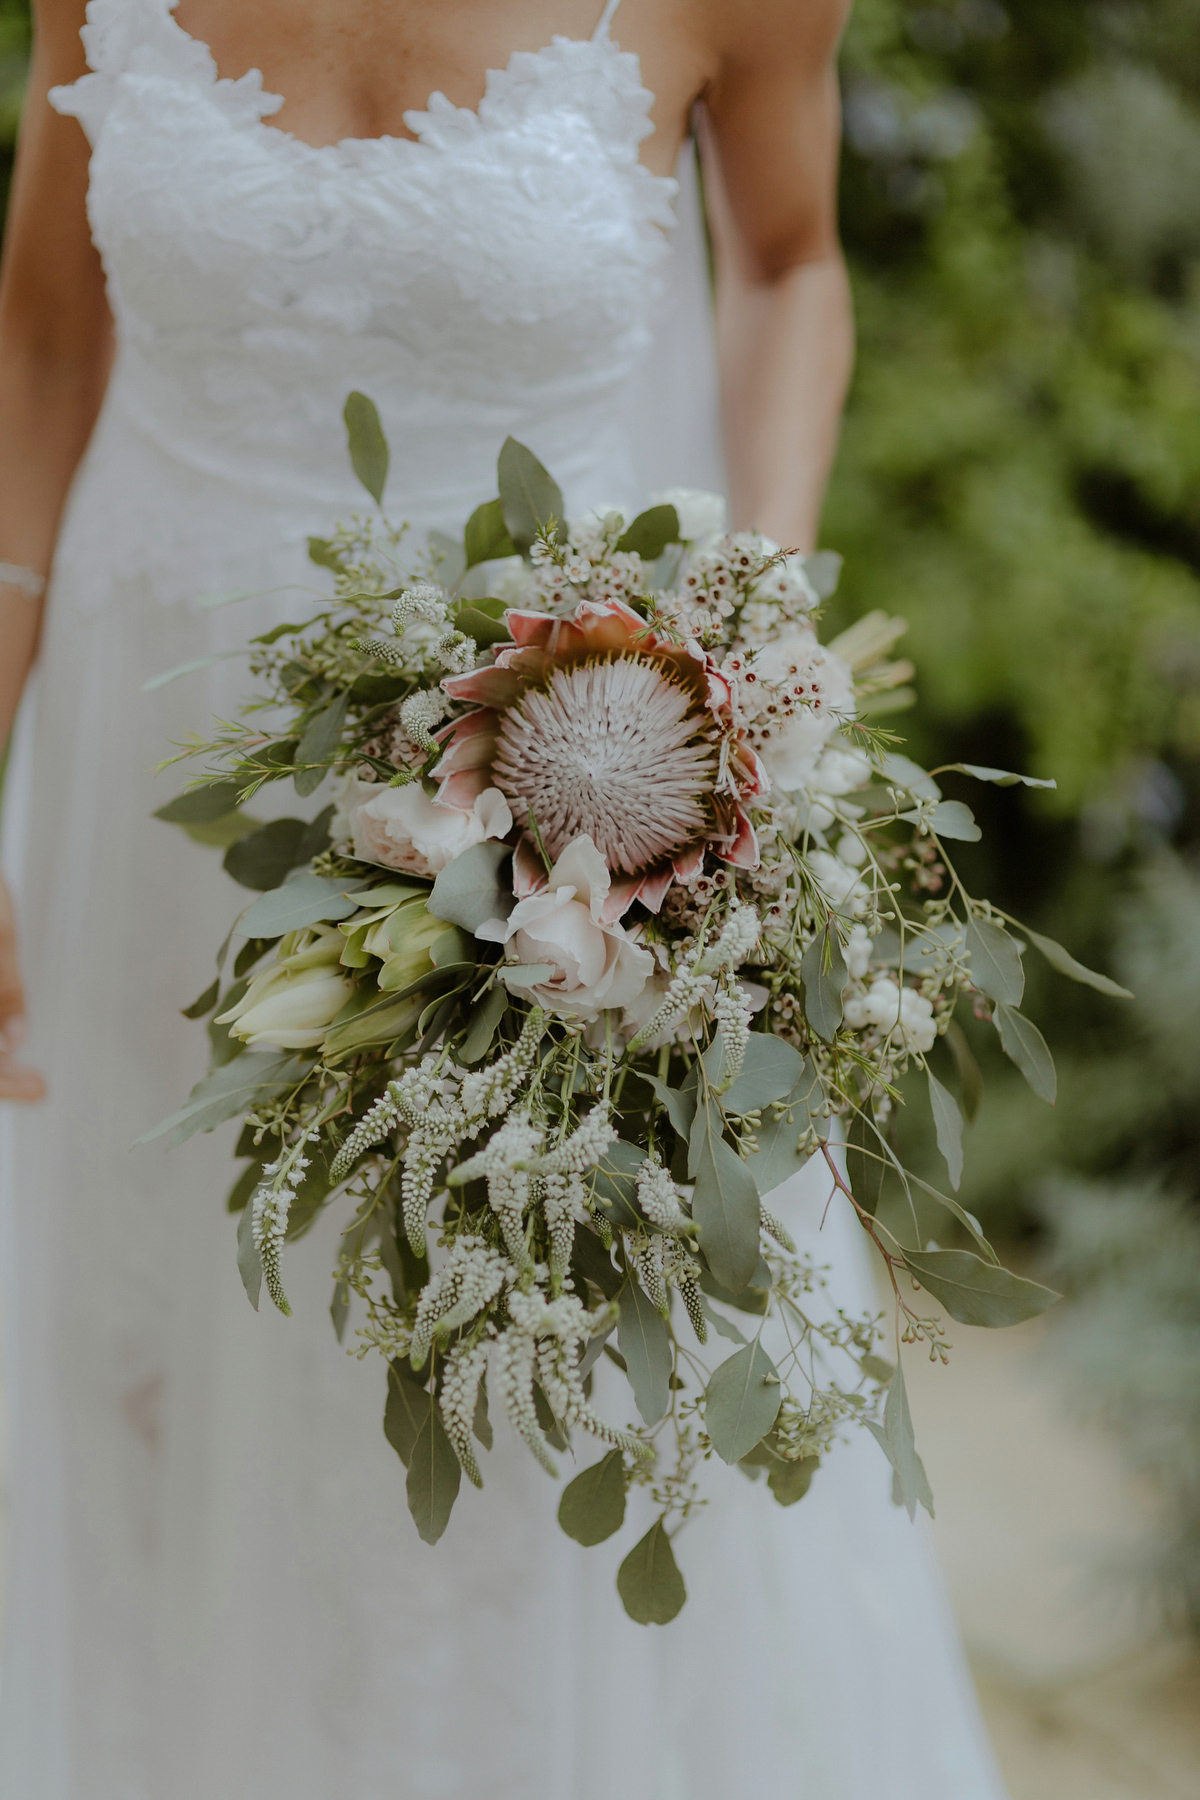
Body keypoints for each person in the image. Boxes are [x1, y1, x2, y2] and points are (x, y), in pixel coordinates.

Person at [0, 1, 1009, 1793]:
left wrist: (740, 650)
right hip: (135, 766)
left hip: (580, 778)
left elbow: (788, 264)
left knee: (529, 1378)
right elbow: (44, 328)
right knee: (143, 1365)